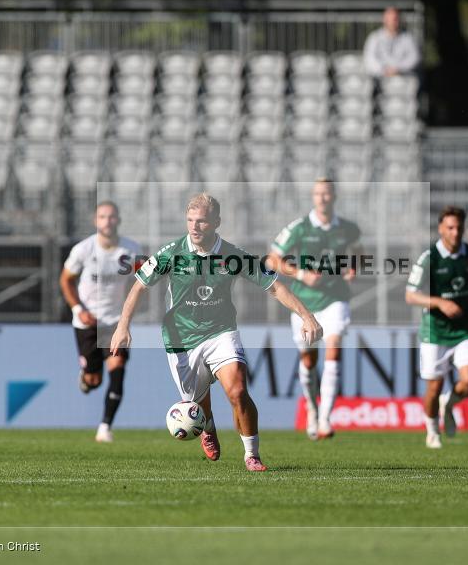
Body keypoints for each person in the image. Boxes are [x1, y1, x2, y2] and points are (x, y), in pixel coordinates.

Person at [110, 192, 323, 472]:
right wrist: (123, 325)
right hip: (181, 340)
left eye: (202, 222)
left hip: (221, 332)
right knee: (198, 406)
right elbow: (138, 286)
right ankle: (207, 426)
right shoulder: (172, 253)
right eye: (190, 221)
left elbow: (275, 287)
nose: (195, 227)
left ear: (216, 222)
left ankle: (252, 455)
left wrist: (307, 316)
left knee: (237, 390)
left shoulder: (233, 255)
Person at [266, 179, 362, 441]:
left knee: (334, 350)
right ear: (313, 197)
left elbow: (357, 253)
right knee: (309, 360)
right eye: (318, 193)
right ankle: (312, 406)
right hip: (305, 303)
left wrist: (353, 267)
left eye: (327, 193)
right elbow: (271, 260)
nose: (322, 198)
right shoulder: (299, 228)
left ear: (334, 196)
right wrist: (301, 274)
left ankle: (325, 419)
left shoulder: (348, 229)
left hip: (336, 298)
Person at [405, 206, 468, 449]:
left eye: (459, 227)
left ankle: (448, 404)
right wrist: (439, 302)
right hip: (435, 331)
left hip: (463, 329)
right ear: (441, 228)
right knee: (434, 385)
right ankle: (432, 431)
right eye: (450, 227)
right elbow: (411, 295)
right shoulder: (429, 258)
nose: (455, 232)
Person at [60, 201, 142, 443]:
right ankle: (86, 376)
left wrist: (128, 315)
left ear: (118, 220)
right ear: (96, 221)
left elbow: (141, 282)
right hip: (87, 322)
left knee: (117, 370)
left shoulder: (131, 249)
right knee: (94, 380)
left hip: (115, 322)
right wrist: (78, 308)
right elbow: (65, 280)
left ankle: (105, 427)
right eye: (103, 216)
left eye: (112, 216)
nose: (108, 221)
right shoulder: (83, 250)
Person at [363, 6, 421, 78]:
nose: (393, 22)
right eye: (391, 19)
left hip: (404, 78)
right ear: (385, 20)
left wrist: (398, 69)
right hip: (380, 78)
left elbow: (414, 57)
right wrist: (383, 70)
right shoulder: (374, 37)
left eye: (396, 19)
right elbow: (369, 59)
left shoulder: (408, 38)